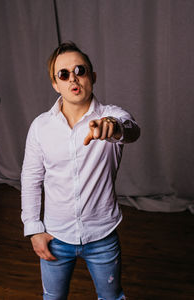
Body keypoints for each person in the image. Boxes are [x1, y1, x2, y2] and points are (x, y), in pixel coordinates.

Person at [21, 41, 140, 300]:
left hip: (103, 237)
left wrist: (114, 128)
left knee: (112, 298)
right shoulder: (41, 126)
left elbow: (131, 130)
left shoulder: (112, 115)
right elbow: (30, 180)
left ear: (92, 76)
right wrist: (33, 229)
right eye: (63, 74)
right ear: (55, 84)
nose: (73, 78)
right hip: (55, 236)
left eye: (80, 70)